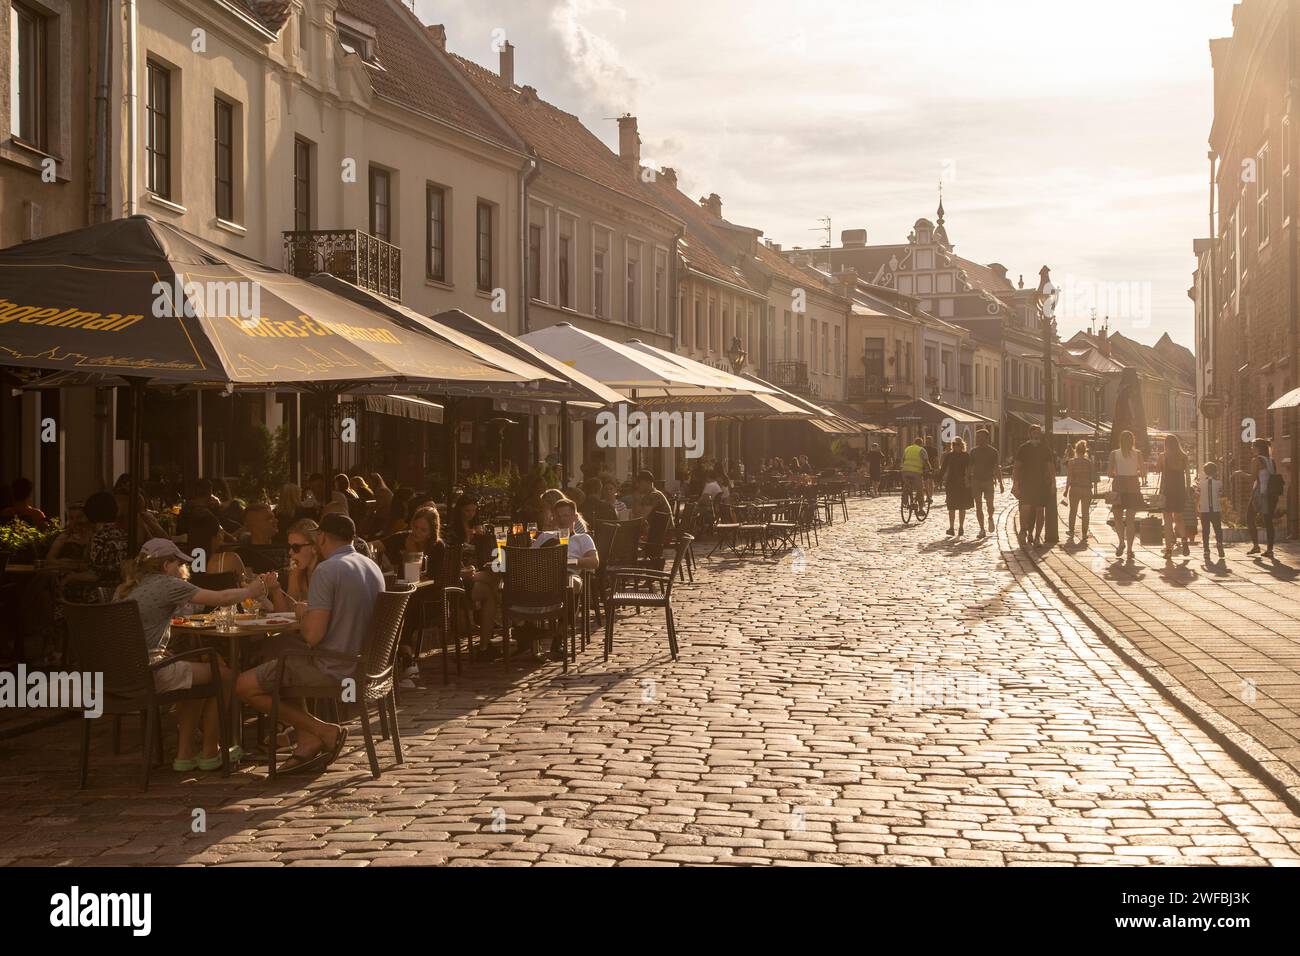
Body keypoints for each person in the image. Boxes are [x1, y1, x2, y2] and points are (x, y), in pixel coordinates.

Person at [235, 513, 382, 773]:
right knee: (282, 653)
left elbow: (312, 635)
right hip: (365, 665)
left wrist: (304, 613)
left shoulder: (328, 570)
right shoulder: (370, 566)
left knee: (244, 685)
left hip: (334, 667)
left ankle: (322, 731)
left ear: (322, 537)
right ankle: (307, 739)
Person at [116, 538, 268, 771]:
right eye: (179, 563)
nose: (184, 569)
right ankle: (210, 750)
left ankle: (185, 754)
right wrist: (251, 590)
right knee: (226, 675)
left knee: (196, 673)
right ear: (167, 564)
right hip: (149, 673)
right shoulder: (166, 583)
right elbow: (221, 599)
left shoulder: (126, 587)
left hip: (118, 674)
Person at [265, 519, 319, 612]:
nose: (290, 552)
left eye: (295, 547)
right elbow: (286, 614)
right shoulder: (297, 572)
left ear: (314, 547)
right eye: (289, 547)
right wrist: (276, 589)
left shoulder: (327, 572)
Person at [1013, 426, 1054, 547]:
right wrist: (1016, 483)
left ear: (1040, 435)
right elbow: (1017, 466)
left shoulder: (1045, 449)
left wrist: (1053, 484)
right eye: (1034, 433)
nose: (1036, 435)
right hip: (1026, 483)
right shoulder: (1023, 448)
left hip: (1042, 484)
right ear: (1029, 435)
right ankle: (1023, 531)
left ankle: (1037, 537)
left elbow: (1050, 467)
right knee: (1025, 509)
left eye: (1038, 433)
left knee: (1040, 511)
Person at [1109, 430, 1144, 562]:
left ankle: (1121, 542)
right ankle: (1129, 549)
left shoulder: (1114, 454)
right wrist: (1133, 472)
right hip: (1133, 487)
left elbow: (1109, 473)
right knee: (1130, 520)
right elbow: (1143, 472)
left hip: (1118, 487)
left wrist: (1118, 473)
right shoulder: (1138, 454)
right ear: (1133, 440)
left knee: (1118, 519)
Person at [1157, 435, 1191, 559]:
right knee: (1179, 518)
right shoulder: (1184, 457)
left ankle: (1168, 550)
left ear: (1166, 444)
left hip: (1167, 490)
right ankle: (1184, 540)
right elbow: (1188, 476)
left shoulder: (1163, 456)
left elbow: (1158, 470)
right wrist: (1187, 491)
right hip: (1180, 490)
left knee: (1167, 521)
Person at [1247, 437, 1281, 558]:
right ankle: (1270, 549)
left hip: (1260, 494)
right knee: (1268, 521)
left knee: (1249, 517)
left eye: (1252, 446)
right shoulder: (1271, 460)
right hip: (1271, 494)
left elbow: (1252, 477)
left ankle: (1256, 545)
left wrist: (1239, 474)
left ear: (1258, 448)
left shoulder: (1256, 460)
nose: (1251, 448)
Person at [968, 430, 1002, 538]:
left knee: (990, 505)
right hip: (976, 481)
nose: (979, 440)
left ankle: (990, 517)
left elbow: (996, 467)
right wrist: (967, 479)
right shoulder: (973, 451)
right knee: (978, 506)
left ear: (987, 438)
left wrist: (1000, 482)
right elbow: (969, 467)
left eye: (981, 437)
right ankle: (982, 529)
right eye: (977, 437)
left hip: (988, 481)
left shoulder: (993, 452)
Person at [937, 436, 973, 537]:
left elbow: (969, 469)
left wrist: (969, 480)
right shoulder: (949, 456)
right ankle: (952, 527)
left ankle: (961, 527)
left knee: (962, 506)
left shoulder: (966, 456)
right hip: (951, 484)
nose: (955, 446)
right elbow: (943, 468)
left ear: (961, 445)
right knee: (951, 507)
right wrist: (938, 479)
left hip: (961, 484)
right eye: (953, 444)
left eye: (957, 444)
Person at [237, 502, 285, 573]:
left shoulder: (287, 546)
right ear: (253, 525)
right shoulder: (243, 556)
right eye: (269, 518)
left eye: (274, 517)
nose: (276, 521)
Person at [1065, 440, 1095, 543]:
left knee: (1073, 511)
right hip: (1087, 489)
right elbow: (1093, 477)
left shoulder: (1072, 462)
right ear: (1085, 450)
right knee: (1085, 512)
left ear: (1076, 450)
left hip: (1075, 489)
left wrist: (1066, 490)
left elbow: (1069, 477)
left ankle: (1071, 531)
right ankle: (1084, 533)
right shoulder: (1089, 462)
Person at [1199, 461, 1225, 561]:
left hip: (1204, 510)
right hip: (1215, 510)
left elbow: (1198, 494)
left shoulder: (1201, 483)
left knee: (1205, 531)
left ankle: (1206, 550)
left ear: (1205, 472)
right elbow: (1220, 493)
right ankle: (1219, 544)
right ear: (1215, 471)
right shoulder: (1219, 483)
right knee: (1218, 529)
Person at [899, 435, 929, 511]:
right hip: (916, 472)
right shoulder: (921, 450)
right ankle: (921, 509)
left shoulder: (907, 449)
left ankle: (905, 502)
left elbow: (903, 460)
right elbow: (926, 461)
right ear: (921, 443)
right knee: (920, 490)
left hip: (905, 471)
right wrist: (929, 469)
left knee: (907, 486)